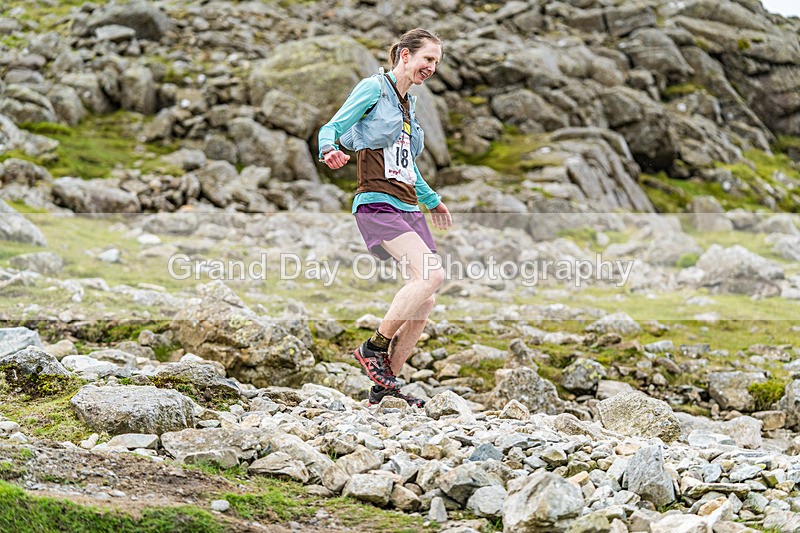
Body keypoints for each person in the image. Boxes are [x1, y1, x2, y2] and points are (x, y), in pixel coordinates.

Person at [318, 28, 453, 408]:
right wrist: (329, 148)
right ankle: (373, 346)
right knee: (433, 274)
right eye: (427, 59)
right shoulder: (374, 89)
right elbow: (333, 127)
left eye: (437, 63)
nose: (432, 67)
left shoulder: (410, 105)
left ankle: (383, 389)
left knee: (424, 300)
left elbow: (407, 166)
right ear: (405, 56)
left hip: (410, 207)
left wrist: (432, 200)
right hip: (377, 203)